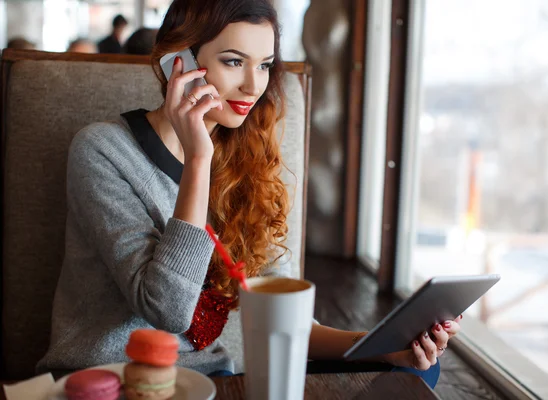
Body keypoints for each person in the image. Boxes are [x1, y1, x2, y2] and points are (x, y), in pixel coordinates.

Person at [36, 0, 461, 387]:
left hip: (211, 377)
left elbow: (291, 324)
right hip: (110, 380)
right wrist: (198, 160)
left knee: (414, 365)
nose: (252, 87)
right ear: (177, 62)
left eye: (264, 65)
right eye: (234, 61)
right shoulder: (102, 150)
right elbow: (166, 309)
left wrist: (385, 344)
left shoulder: (248, 164)